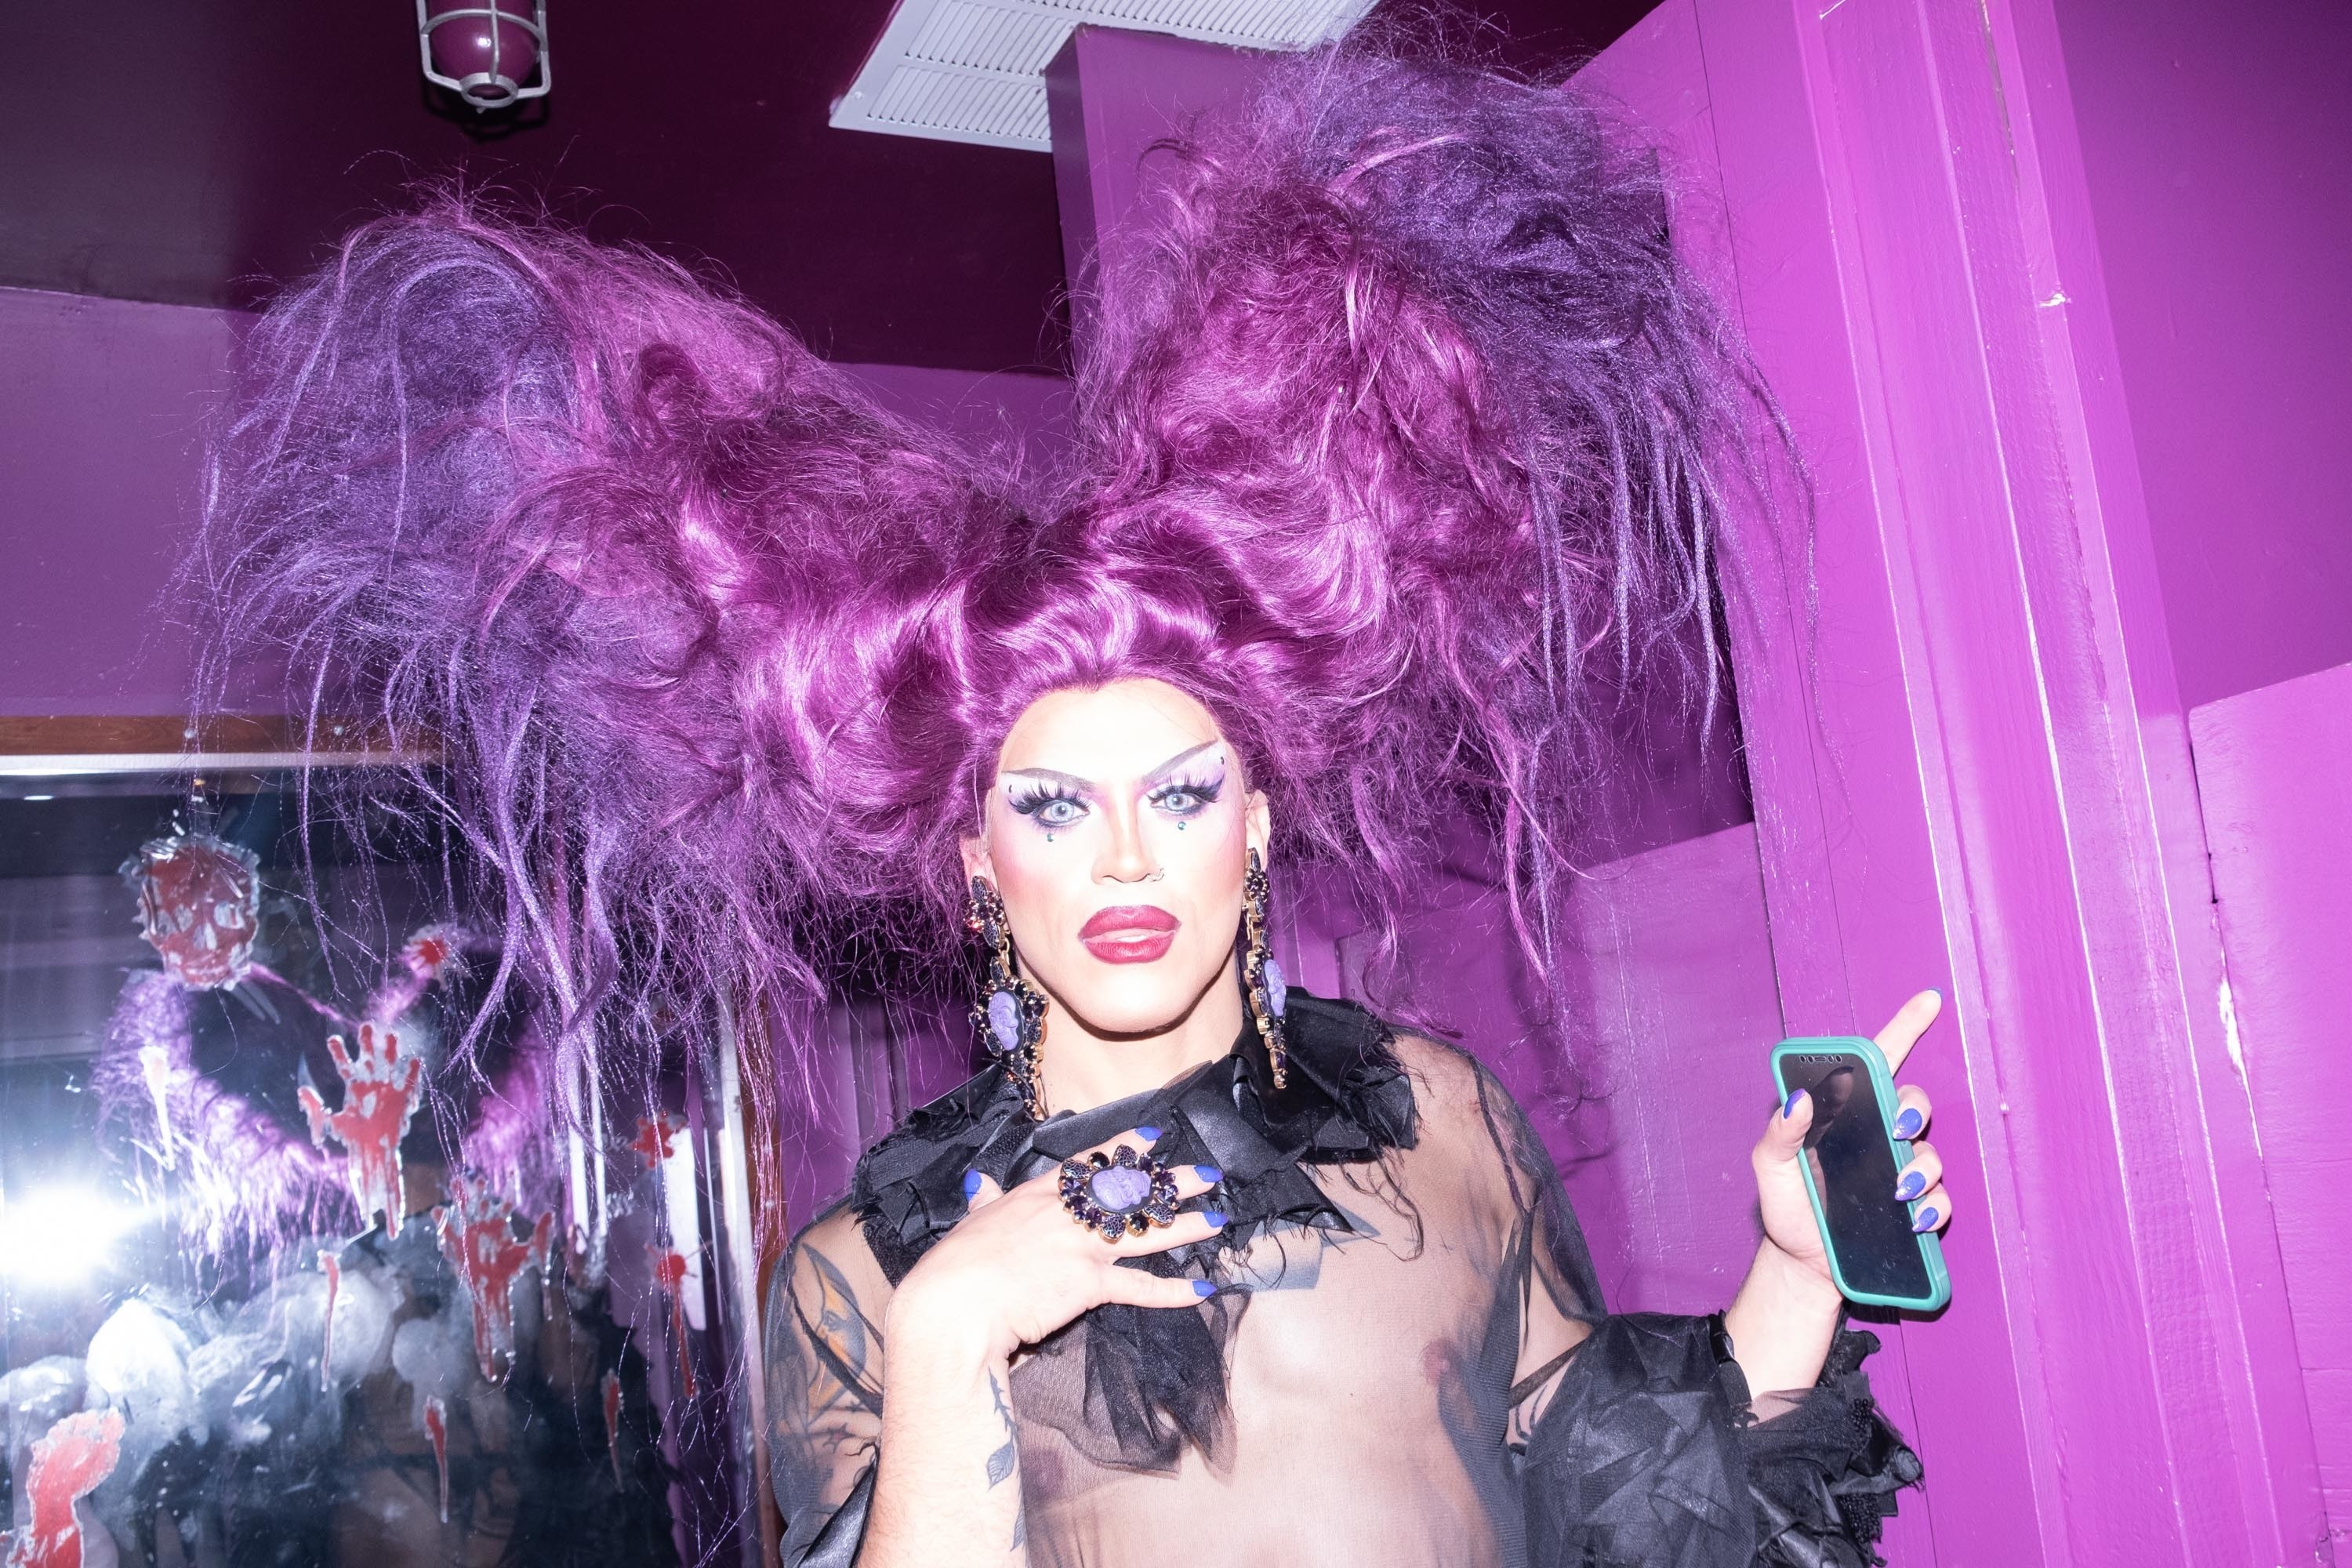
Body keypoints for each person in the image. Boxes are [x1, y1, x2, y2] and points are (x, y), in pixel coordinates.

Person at [201, 40, 1940, 1568]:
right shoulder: (866, 1272)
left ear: (1258, 825)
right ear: (973, 860)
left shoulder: (1438, 1124)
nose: (1122, 855)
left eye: (1181, 791)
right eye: (1050, 806)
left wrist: (1795, 1268)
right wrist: (956, 1328)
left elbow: (1624, 1500)